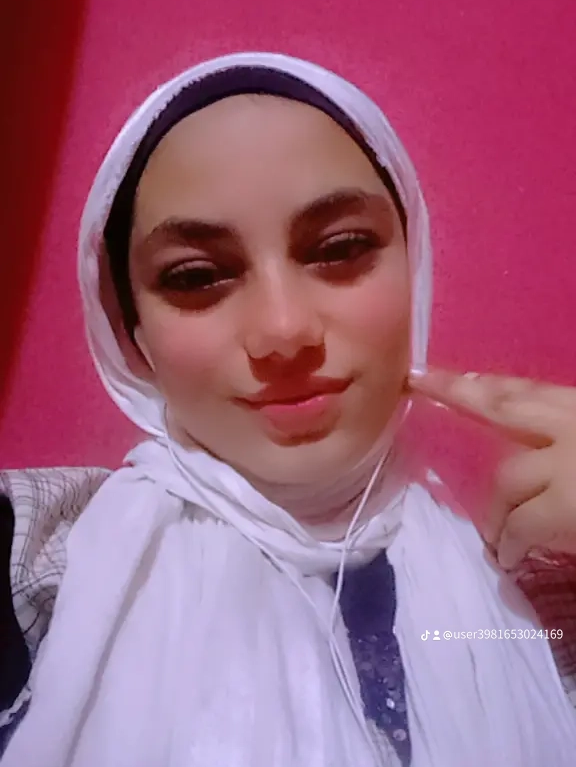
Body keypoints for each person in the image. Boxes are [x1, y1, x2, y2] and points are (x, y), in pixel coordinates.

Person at [1, 51, 576, 766]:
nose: (283, 330)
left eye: (340, 249)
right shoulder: (44, 557)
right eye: (196, 276)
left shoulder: (539, 584)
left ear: (414, 264)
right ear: (130, 330)